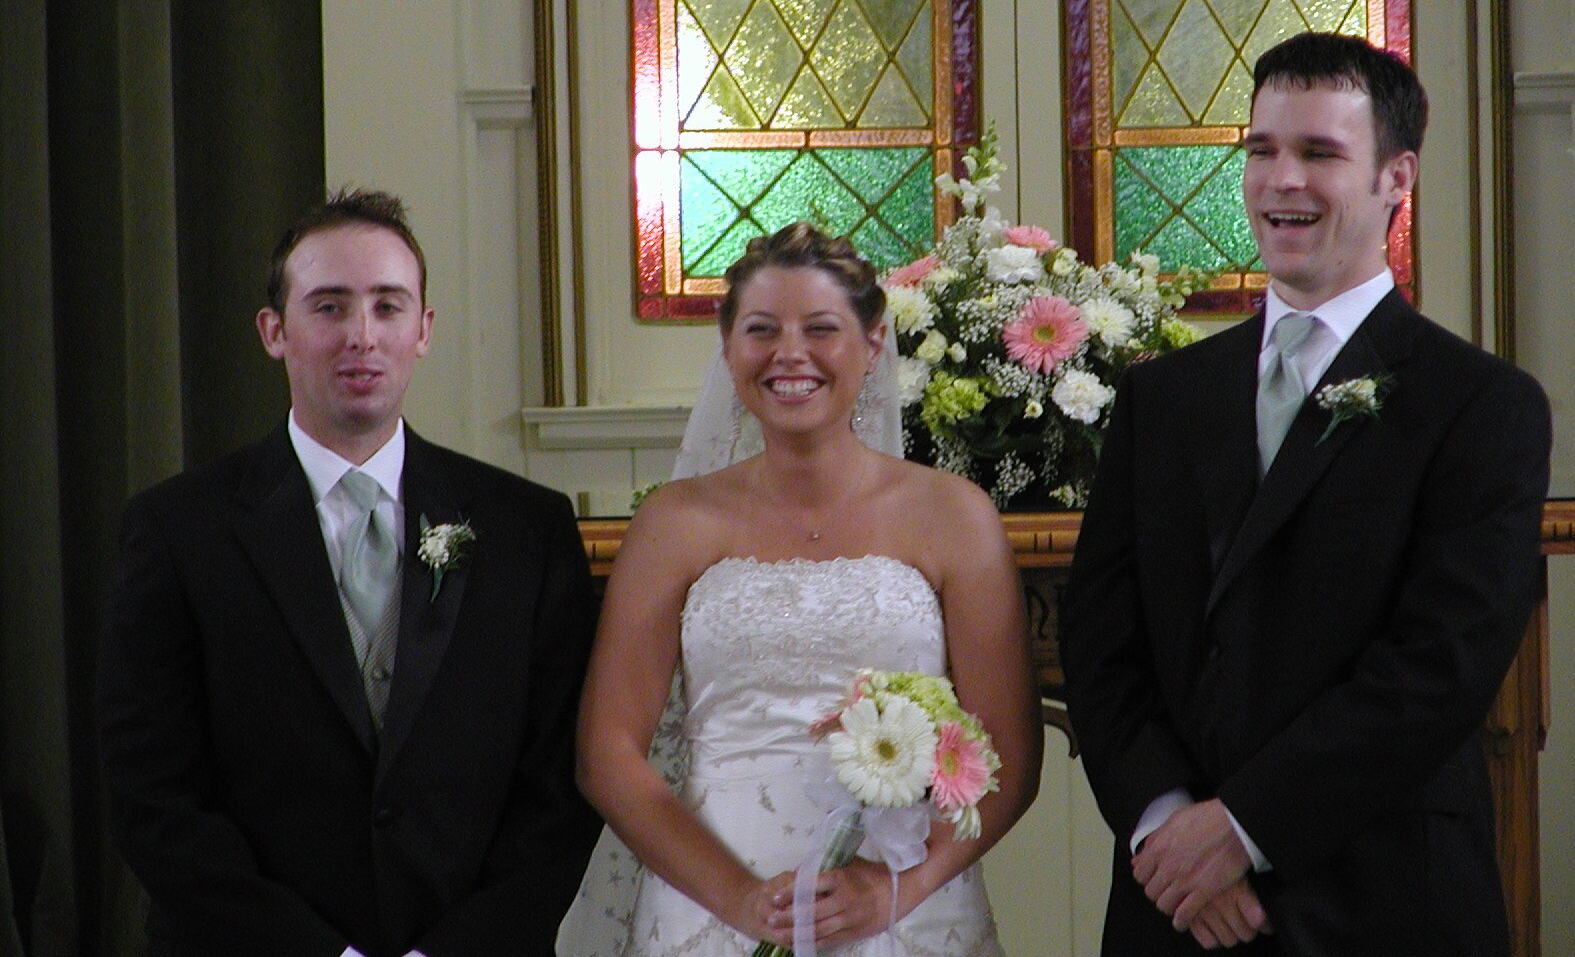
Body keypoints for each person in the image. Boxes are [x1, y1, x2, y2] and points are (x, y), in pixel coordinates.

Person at [1060, 32, 1552, 955]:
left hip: (1383, 899)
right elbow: (1100, 640)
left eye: (1319, 152)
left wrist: (1240, 831)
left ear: (1396, 177)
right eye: (1262, 150)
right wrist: (1169, 828)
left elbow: (1439, 665)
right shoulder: (1162, 399)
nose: (1281, 180)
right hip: (1179, 912)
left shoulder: (1481, 406)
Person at [98, 189, 600, 957]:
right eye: (329, 307)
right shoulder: (177, 531)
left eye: (387, 307)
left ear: (423, 330)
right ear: (275, 331)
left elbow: (559, 788)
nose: (361, 336)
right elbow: (151, 796)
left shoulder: (527, 531)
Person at [575, 223, 1041, 956]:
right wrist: (737, 898)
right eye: (761, 330)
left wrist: (892, 890)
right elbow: (608, 751)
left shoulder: (954, 516)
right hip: (711, 905)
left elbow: (1009, 752)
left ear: (873, 343)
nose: (789, 353)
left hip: (903, 910)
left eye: (820, 329)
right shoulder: (672, 522)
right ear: (728, 348)